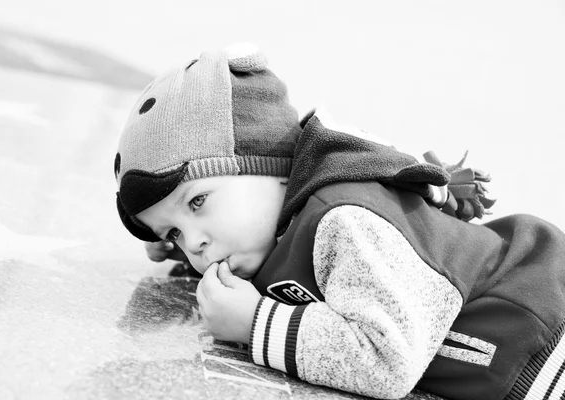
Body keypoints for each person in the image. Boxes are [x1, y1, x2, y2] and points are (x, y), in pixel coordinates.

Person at [113, 43, 565, 400]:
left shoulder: (345, 220)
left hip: (546, 350)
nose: (194, 244)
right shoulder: (270, 225)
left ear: (268, 164)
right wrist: (171, 241)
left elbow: (385, 360)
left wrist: (255, 323)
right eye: (173, 231)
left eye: (196, 203)